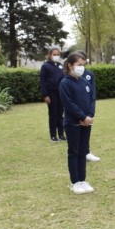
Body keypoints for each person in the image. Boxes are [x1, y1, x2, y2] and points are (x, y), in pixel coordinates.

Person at [59, 52, 96, 194]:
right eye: (79, 65)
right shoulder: (65, 82)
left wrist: (90, 115)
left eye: (83, 65)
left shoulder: (84, 81)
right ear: (70, 65)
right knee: (74, 152)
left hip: (86, 122)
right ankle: (75, 182)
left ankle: (83, 180)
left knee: (83, 151)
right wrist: (81, 116)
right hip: (73, 123)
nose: (82, 68)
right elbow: (68, 103)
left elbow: (91, 99)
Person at [74, 51, 100, 163]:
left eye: (83, 60)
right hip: (76, 112)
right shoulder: (69, 77)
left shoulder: (89, 75)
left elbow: (92, 94)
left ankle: (86, 152)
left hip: (87, 109)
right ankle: (77, 153)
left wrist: (90, 113)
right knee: (76, 134)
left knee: (86, 132)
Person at [40, 46, 65, 142]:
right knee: (53, 114)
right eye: (54, 54)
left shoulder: (60, 65)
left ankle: (61, 134)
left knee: (60, 114)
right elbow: (42, 81)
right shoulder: (45, 66)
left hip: (61, 93)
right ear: (49, 55)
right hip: (51, 93)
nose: (56, 56)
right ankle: (53, 136)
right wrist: (45, 95)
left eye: (58, 55)